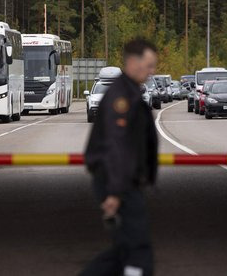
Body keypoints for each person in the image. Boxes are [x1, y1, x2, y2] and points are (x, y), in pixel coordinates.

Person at [81, 38, 159, 276]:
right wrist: (114, 192)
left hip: (122, 181)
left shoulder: (130, 91)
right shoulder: (121, 98)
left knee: (123, 250)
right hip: (118, 182)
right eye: (149, 64)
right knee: (139, 250)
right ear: (133, 63)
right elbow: (117, 146)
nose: (152, 71)